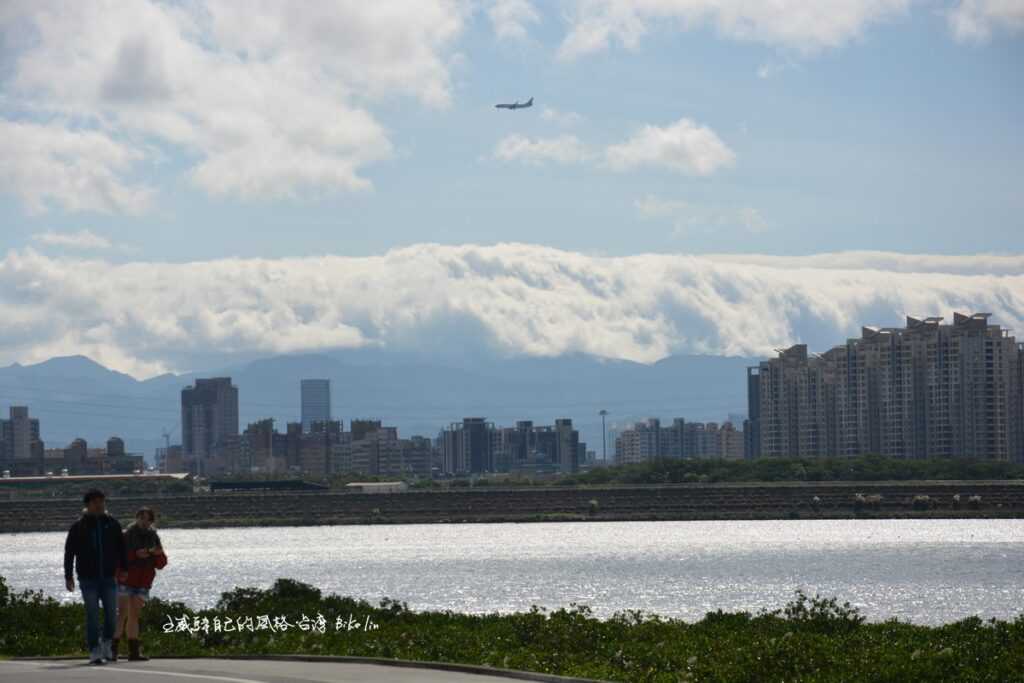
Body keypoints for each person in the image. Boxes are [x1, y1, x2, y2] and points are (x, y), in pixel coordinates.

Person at [64, 489, 126, 665]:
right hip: (87, 579)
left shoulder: (112, 523)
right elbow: (69, 553)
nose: (99, 505)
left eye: (102, 501)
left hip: (109, 578)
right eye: (95, 502)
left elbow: (121, 548)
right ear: (87, 505)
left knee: (112, 616)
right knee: (92, 615)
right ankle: (94, 650)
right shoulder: (78, 526)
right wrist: (68, 576)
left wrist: (124, 568)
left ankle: (106, 644)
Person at [113, 506, 167, 662]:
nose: (144, 521)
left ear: (151, 521)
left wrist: (158, 554)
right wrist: (135, 555)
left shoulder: (154, 538)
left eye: (148, 519)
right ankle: (112, 650)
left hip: (143, 581)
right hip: (125, 579)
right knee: (121, 614)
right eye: (142, 518)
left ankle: (133, 652)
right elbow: (117, 559)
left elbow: (161, 564)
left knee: (134, 615)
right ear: (136, 518)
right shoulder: (126, 536)